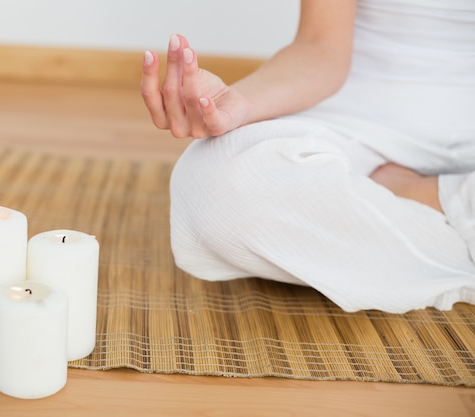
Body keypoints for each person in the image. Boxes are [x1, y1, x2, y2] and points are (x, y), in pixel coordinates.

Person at [140, 0, 475, 313]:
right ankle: (454, 220)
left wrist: (434, 190)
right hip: (359, 120)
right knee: (213, 180)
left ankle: (427, 197)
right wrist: (237, 102)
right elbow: (320, 46)